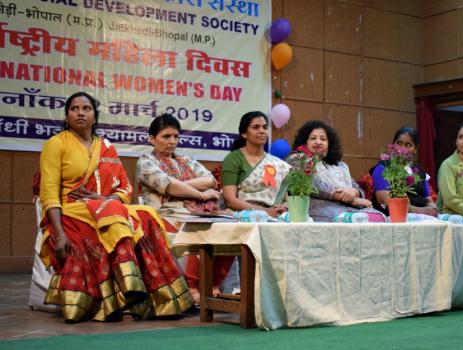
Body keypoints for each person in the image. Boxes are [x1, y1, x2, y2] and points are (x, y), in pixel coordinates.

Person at [39, 92, 192, 323]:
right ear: (67, 114)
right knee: (114, 217)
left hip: (105, 206)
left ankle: (162, 298)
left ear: (95, 115)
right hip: (71, 209)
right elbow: (49, 192)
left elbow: (125, 187)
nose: (81, 113)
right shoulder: (56, 144)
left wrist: (103, 199)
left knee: (147, 215)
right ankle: (124, 294)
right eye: (75, 109)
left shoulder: (106, 146)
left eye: (86, 108)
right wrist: (59, 234)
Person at [136, 113, 231, 304]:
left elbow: (210, 180)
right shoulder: (145, 162)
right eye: (166, 136)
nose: (172, 141)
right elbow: (169, 186)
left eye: (176, 137)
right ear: (152, 139)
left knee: (228, 232)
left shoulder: (186, 161)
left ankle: (214, 284)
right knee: (197, 231)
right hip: (162, 216)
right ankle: (192, 287)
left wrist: (179, 185)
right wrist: (200, 194)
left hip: (194, 213)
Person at [289, 120, 377, 222]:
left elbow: (357, 188)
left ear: (329, 144)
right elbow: (314, 184)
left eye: (323, 139)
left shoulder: (339, 165)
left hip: (351, 209)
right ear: (305, 142)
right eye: (313, 138)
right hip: (321, 210)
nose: (318, 142)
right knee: (362, 220)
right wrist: (346, 197)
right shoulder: (298, 160)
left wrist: (355, 192)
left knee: (380, 218)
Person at [221, 111, 290, 218]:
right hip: (244, 217)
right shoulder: (233, 159)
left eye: (265, 127)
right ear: (244, 133)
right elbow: (230, 200)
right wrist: (265, 211)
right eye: (256, 127)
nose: (262, 131)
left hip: (276, 217)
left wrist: (284, 206)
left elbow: (287, 200)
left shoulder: (279, 164)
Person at [370, 127, 437, 216]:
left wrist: (432, 209)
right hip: (392, 218)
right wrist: (420, 211)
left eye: (408, 145)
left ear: (416, 149)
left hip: (421, 218)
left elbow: (429, 200)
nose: (402, 149)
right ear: (393, 145)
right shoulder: (382, 167)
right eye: (399, 143)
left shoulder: (419, 171)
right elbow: (386, 200)